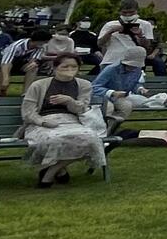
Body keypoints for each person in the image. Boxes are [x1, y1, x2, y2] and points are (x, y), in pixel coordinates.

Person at [18, 53, 109, 187]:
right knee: (54, 139)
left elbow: (82, 109)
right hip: (42, 121)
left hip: (72, 121)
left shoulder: (84, 85)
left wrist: (70, 101)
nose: (69, 69)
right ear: (55, 68)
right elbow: (28, 112)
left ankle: (50, 172)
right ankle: (60, 171)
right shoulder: (39, 85)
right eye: (65, 66)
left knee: (91, 139)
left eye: (73, 66)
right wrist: (42, 122)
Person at [89, 0, 154, 111]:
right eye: (124, 13)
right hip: (111, 60)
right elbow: (99, 43)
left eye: (131, 13)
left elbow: (147, 47)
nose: (128, 15)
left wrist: (140, 35)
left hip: (134, 61)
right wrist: (111, 31)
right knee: (106, 92)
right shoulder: (110, 24)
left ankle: (118, 112)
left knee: (125, 90)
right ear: (119, 12)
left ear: (137, 11)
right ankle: (105, 112)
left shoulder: (145, 25)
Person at [0, 26, 53, 96]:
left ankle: (26, 92)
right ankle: (0, 92)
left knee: (33, 67)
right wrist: (6, 79)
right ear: (39, 41)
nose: (46, 44)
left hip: (19, 64)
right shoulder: (17, 46)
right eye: (45, 42)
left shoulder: (40, 48)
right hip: (3, 63)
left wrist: (34, 63)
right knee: (5, 69)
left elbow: (33, 60)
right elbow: (5, 63)